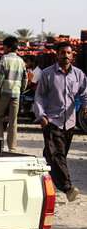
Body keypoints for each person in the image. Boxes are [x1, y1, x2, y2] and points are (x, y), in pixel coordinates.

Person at [34, 41, 87, 202]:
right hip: (52, 121)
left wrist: (85, 106)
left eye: (68, 53)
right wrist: (41, 115)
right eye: (62, 53)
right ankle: (68, 188)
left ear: (72, 55)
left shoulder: (78, 74)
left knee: (56, 154)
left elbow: (84, 93)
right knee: (57, 155)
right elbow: (40, 96)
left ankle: (45, 176)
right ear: (57, 55)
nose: (65, 55)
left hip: (69, 122)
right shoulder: (48, 74)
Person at [0, 36, 26, 152]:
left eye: (4, 47)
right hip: (16, 93)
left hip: (4, 93)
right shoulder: (21, 61)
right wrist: (20, 90)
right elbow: (25, 79)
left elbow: (0, 77)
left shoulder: (5, 59)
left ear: (7, 47)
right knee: (13, 121)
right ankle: (12, 147)